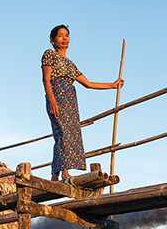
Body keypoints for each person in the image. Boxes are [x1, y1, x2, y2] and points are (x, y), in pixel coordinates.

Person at [42, 24, 124, 181]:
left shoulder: (71, 64)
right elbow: (46, 79)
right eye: (60, 35)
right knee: (62, 131)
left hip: (70, 99)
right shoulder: (49, 55)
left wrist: (113, 85)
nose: (64, 38)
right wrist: (52, 100)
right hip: (57, 95)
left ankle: (55, 174)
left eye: (66, 35)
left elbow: (88, 84)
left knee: (70, 133)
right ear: (52, 40)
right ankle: (64, 173)